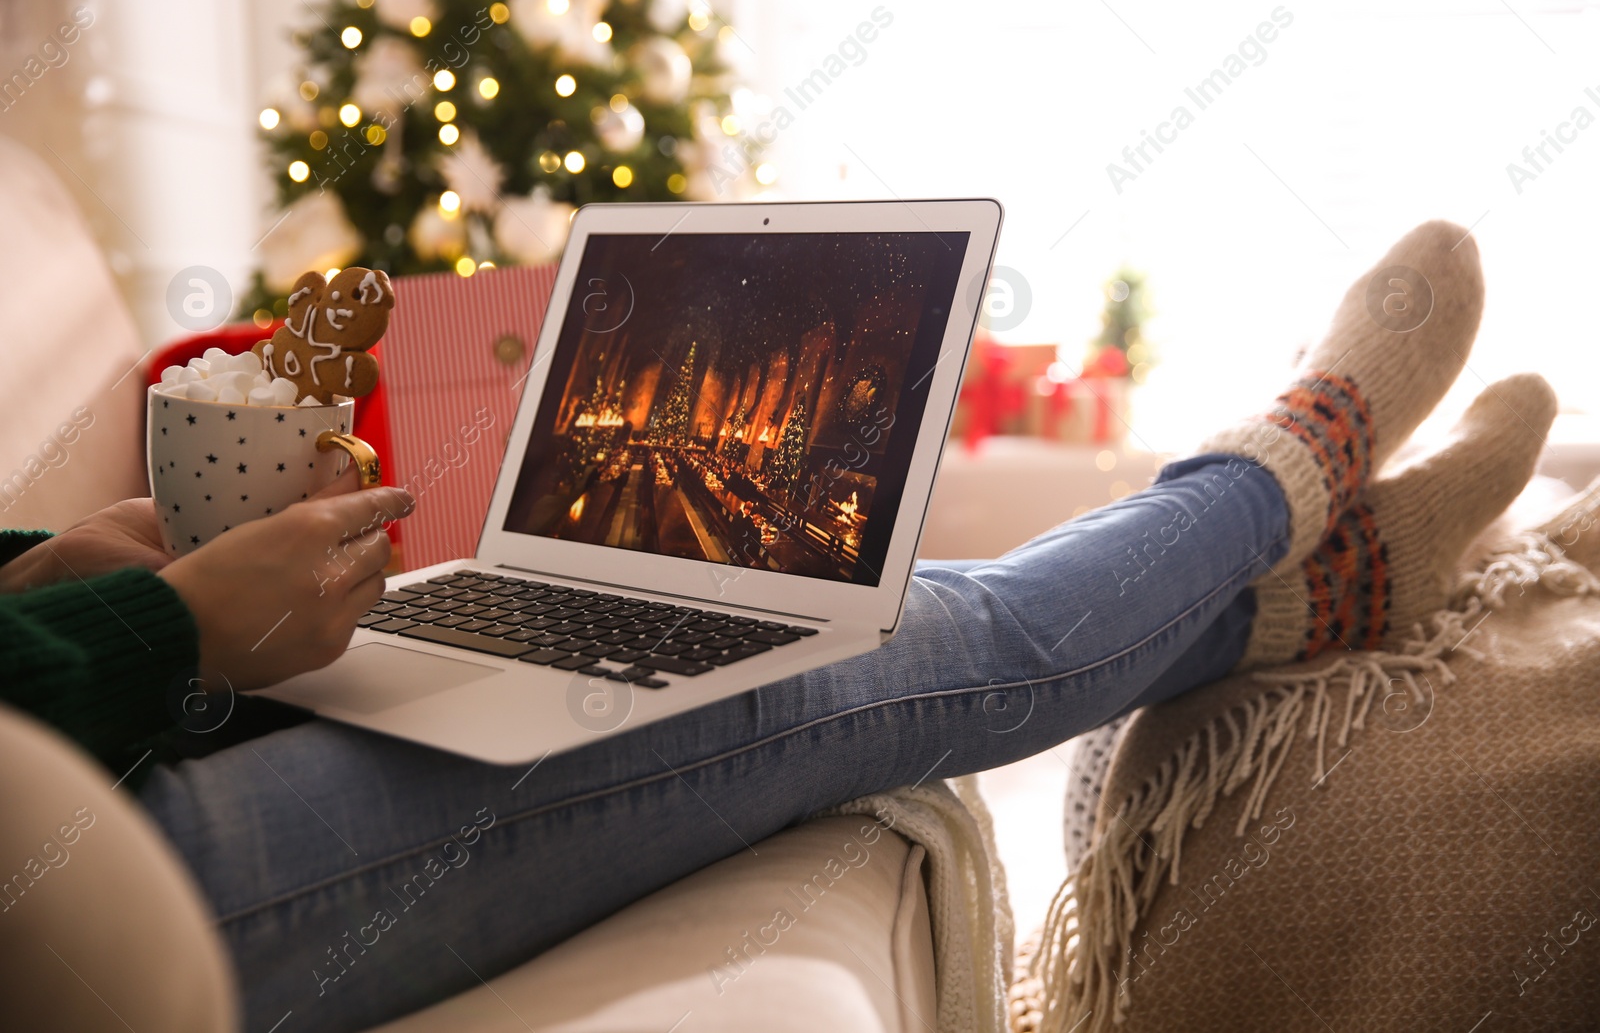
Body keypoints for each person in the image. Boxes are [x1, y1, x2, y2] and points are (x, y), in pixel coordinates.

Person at [0, 222, 1557, 1033]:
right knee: (862, 647)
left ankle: (1297, 593)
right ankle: (1281, 473)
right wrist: (160, 634)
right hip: (97, 875)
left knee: (736, 605)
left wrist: (45, 583)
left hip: (89, 742)